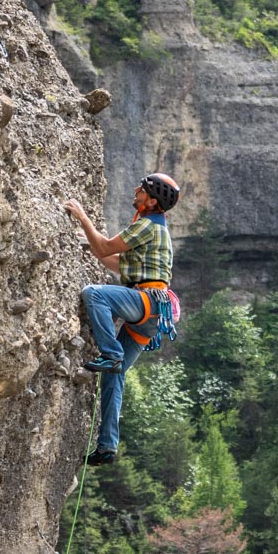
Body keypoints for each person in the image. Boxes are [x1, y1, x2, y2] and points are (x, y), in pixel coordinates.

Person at [62, 172, 180, 465]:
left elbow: (104, 248)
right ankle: (107, 446)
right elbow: (111, 260)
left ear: (152, 201)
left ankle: (111, 353)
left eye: (142, 189)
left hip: (147, 302)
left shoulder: (146, 225)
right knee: (114, 376)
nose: (135, 190)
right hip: (153, 313)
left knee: (94, 294)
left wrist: (82, 218)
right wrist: (88, 242)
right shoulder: (156, 228)